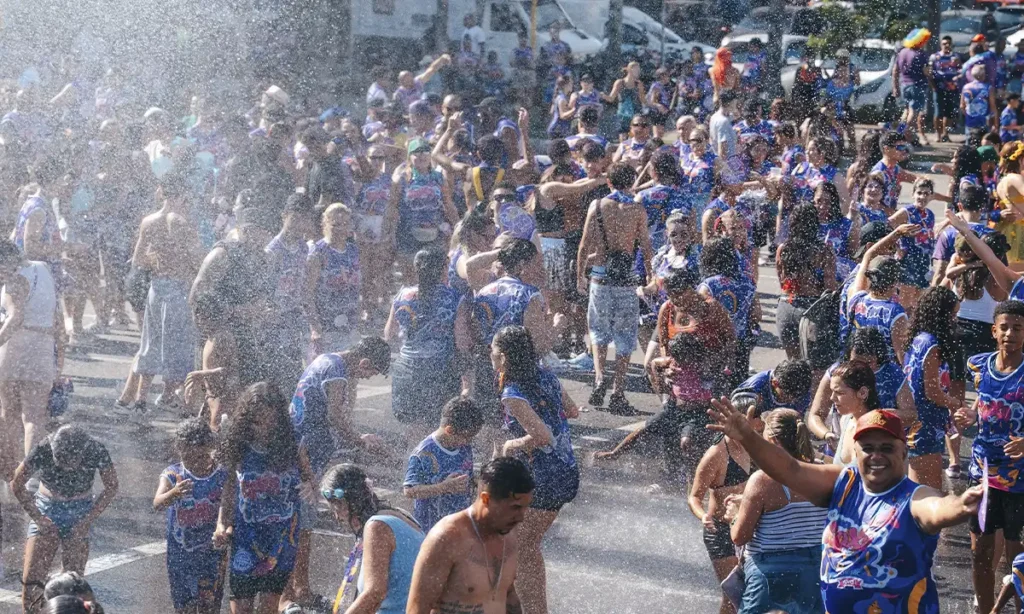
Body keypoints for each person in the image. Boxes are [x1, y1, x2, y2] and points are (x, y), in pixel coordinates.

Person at [706, 401, 982, 613]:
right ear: (856, 452)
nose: (876, 455)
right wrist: (747, 436)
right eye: (867, 447)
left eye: (886, 448)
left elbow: (936, 508)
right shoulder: (844, 481)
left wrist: (961, 504)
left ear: (904, 452)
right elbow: (789, 470)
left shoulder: (913, 497)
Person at [285, 338, 391, 610]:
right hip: (303, 455)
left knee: (298, 520)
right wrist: (360, 440)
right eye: (370, 372)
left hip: (303, 450)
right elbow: (334, 415)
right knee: (301, 524)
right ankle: (295, 592)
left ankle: (296, 589)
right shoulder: (337, 371)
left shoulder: (329, 359)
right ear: (364, 362)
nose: (367, 377)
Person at [491, 326, 580, 614]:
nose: (490, 356)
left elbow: (541, 437)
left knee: (521, 547)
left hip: (545, 479)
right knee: (521, 545)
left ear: (503, 357)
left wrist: (510, 446)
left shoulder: (513, 394)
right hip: (564, 471)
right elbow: (573, 409)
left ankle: (533, 610)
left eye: (493, 351)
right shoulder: (545, 375)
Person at [214, 383, 313, 614]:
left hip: (282, 538)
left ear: (280, 419)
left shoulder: (292, 444)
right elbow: (228, 490)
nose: (264, 429)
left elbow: (310, 478)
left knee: (268, 608)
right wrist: (221, 523)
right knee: (242, 606)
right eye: (258, 422)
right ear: (246, 419)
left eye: (271, 421)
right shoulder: (239, 445)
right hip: (246, 538)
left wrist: (310, 487)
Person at [116, 172, 202, 415]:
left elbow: (139, 259)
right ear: (183, 195)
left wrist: (157, 260)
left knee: (151, 342)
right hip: (178, 288)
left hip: (157, 286)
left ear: (161, 192)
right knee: (177, 344)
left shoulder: (149, 221)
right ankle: (169, 395)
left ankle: (141, 400)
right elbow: (198, 260)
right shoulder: (182, 222)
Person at [726, 408, 828, 614]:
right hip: (815, 573)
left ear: (773, 441)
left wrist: (734, 515)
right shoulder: (823, 472)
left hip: (770, 574)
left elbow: (740, 536)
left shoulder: (763, 480)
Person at [12, 425, 118, 613]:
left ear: (81, 453)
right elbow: (17, 483)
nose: (63, 465)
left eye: (69, 461)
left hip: (80, 511)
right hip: (48, 508)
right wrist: (39, 518)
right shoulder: (44, 447)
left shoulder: (95, 449)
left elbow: (111, 486)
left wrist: (86, 521)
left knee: (74, 585)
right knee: (32, 583)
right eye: (58, 459)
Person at [406, 457, 533, 614]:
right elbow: (417, 609)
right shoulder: (447, 538)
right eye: (515, 508)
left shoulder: (508, 534)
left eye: (524, 508)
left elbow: (508, 594)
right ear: (486, 498)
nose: (521, 517)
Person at [577, 163, 653, 415]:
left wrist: (579, 275)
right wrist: (650, 274)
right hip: (626, 278)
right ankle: (618, 390)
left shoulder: (598, 206)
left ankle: (600, 378)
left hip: (600, 276)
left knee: (598, 331)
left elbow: (585, 243)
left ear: (609, 182)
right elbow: (645, 245)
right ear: (631, 182)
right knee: (625, 335)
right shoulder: (637, 209)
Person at [321, 464, 424, 614]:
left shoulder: (377, 527)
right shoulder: (398, 514)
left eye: (339, 508)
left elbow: (374, 594)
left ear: (355, 500)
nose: (337, 517)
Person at [689, 396, 758, 614]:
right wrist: (703, 516)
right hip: (720, 531)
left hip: (747, 527)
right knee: (734, 596)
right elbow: (694, 496)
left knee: (752, 593)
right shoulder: (717, 455)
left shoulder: (756, 444)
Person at [384, 248, 466, 428]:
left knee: (414, 430)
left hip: (406, 369)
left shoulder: (402, 295)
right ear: (444, 269)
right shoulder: (455, 298)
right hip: (440, 371)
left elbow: (389, 334)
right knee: (440, 428)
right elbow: (462, 342)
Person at [152, 418, 227, 614]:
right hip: (180, 556)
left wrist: (226, 528)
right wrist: (174, 493)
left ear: (210, 448)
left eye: (201, 457)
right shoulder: (173, 474)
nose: (196, 463)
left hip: (211, 554)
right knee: (184, 607)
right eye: (190, 458)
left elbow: (229, 505)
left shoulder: (221, 475)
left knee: (208, 606)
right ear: (180, 449)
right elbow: (157, 503)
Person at [0, 237, 57, 469]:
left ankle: (13, 473)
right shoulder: (43, 269)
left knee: (10, 415)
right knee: (34, 418)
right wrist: (60, 355)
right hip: (43, 346)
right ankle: (31, 476)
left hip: (16, 347)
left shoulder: (14, 281)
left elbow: (15, 318)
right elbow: (58, 317)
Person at [903, 286, 963, 491]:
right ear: (941, 315)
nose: (954, 320)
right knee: (930, 492)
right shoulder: (932, 344)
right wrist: (956, 404)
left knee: (917, 484)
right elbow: (932, 392)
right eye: (952, 314)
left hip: (918, 420)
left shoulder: (918, 338)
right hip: (926, 423)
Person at [403, 397, 482, 533]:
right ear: (449, 430)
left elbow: (467, 475)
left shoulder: (463, 446)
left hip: (460, 524)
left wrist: (476, 480)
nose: (469, 442)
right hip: (432, 528)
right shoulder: (424, 454)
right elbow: (409, 491)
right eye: (467, 437)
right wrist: (444, 487)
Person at [775, 204, 836, 360]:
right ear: (815, 223)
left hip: (787, 306)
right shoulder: (823, 251)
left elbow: (783, 283)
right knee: (814, 365)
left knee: (793, 363)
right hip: (812, 310)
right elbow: (829, 289)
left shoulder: (783, 249)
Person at [304, 203, 361, 355]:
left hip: (349, 322)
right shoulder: (318, 252)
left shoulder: (353, 250)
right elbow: (307, 293)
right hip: (326, 326)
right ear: (324, 224)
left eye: (345, 224)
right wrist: (314, 327)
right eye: (335, 224)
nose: (340, 229)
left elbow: (356, 288)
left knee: (350, 371)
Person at [894, 28, 933, 145]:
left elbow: (895, 71)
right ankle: (900, 137)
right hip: (917, 86)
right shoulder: (920, 55)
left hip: (904, 85)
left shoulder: (902, 52)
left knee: (906, 112)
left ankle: (901, 133)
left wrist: (895, 87)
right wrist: (931, 76)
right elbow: (927, 72)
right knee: (913, 114)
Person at [601, 62, 645, 141]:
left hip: (635, 112)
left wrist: (654, 104)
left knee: (634, 134)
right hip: (623, 113)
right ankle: (623, 150)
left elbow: (643, 100)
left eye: (639, 70)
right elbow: (611, 98)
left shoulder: (639, 84)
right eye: (636, 70)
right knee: (623, 135)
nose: (638, 71)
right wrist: (603, 96)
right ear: (630, 70)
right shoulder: (620, 82)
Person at [930, 35, 962, 143]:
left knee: (949, 113)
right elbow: (930, 73)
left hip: (952, 89)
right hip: (939, 89)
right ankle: (938, 134)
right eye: (944, 43)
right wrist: (933, 86)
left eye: (948, 43)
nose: (946, 46)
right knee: (938, 113)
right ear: (940, 44)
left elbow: (960, 71)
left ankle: (946, 134)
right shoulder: (935, 57)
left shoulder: (955, 57)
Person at [709, 91, 739, 161]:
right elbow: (722, 148)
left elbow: (737, 115)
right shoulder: (723, 121)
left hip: (715, 156)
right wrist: (723, 167)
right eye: (735, 103)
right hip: (727, 162)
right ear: (730, 104)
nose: (736, 105)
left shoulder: (714, 117)